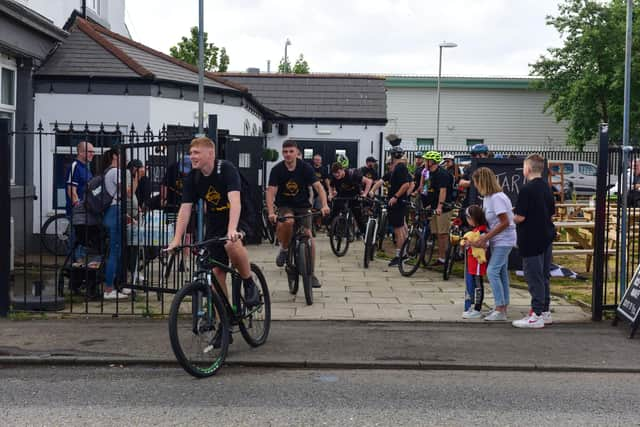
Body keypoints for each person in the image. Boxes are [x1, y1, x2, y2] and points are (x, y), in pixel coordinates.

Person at [166, 136, 260, 308]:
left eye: (196, 153)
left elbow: (235, 201)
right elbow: (185, 209)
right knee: (216, 273)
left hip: (241, 215)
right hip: (216, 221)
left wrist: (232, 230)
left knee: (231, 244)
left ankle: (248, 283)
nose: (192, 156)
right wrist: (177, 239)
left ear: (210, 153)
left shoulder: (225, 169)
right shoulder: (193, 178)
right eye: (191, 153)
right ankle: (224, 322)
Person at [266, 140, 330, 287]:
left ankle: (311, 273)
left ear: (297, 152)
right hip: (285, 205)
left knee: (308, 236)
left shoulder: (305, 168)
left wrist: (325, 205)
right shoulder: (277, 170)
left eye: (291, 151)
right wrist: (271, 212)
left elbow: (319, 188)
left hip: (302, 206)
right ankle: (284, 248)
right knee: (288, 222)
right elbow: (270, 192)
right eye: (285, 152)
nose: (288, 154)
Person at [512, 154, 556, 329]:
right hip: (546, 236)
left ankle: (536, 314)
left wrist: (511, 216)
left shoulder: (526, 189)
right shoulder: (547, 188)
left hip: (530, 238)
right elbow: (551, 212)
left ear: (528, 169)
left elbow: (520, 217)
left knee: (533, 276)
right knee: (544, 276)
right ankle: (545, 311)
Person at [470, 167, 516, 321]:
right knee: (501, 273)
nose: (475, 186)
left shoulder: (497, 198)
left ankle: (500, 307)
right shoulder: (488, 198)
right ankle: (502, 306)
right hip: (498, 240)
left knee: (492, 271)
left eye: (476, 182)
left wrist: (485, 237)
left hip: (504, 239)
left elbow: (505, 222)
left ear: (482, 182)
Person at [371, 145, 412, 267]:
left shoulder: (400, 168)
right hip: (399, 202)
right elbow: (382, 181)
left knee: (398, 230)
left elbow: (406, 185)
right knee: (403, 228)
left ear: (392, 156)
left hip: (397, 203)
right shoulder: (395, 170)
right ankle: (404, 254)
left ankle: (400, 256)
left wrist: (395, 197)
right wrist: (372, 190)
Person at [102, 148, 134, 300]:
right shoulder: (115, 172)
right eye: (123, 155)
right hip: (115, 212)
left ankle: (118, 285)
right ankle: (108, 289)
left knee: (119, 250)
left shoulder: (111, 172)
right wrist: (136, 177)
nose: (126, 158)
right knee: (115, 250)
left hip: (116, 211)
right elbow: (128, 193)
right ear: (115, 156)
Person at [422, 151, 455, 266]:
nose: (424, 162)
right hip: (434, 206)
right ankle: (441, 258)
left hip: (444, 208)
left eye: (426, 160)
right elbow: (428, 189)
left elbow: (443, 191)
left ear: (432, 162)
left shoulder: (442, 174)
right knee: (436, 233)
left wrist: (440, 206)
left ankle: (444, 258)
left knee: (443, 234)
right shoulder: (429, 173)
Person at [65, 141, 94, 262]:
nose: (93, 154)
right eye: (90, 151)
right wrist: (78, 208)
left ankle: (79, 269)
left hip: (85, 212)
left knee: (82, 242)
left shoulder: (86, 168)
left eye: (93, 151)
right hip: (77, 213)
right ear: (81, 152)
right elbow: (71, 190)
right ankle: (72, 270)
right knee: (75, 242)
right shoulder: (75, 166)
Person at [329, 162, 373, 235]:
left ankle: (365, 234)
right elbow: (331, 186)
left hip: (354, 195)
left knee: (357, 215)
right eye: (334, 173)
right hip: (342, 195)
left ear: (343, 170)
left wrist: (365, 194)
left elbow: (369, 181)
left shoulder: (352, 174)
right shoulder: (334, 177)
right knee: (335, 210)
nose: (336, 175)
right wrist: (330, 194)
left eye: (338, 172)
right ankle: (334, 228)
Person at [460, 205, 488, 319]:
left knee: (478, 285)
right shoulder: (476, 230)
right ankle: (474, 307)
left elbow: (483, 244)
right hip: (473, 261)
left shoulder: (482, 230)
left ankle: (477, 308)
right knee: (475, 284)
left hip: (478, 261)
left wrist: (470, 243)